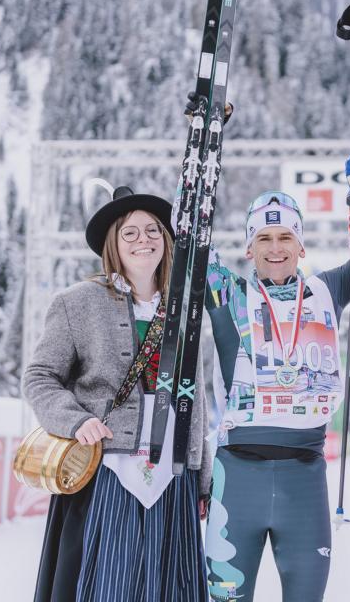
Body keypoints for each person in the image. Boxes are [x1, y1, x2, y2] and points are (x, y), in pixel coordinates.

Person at [201, 124, 350, 602]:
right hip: (237, 477)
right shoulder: (226, 292)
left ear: (301, 244)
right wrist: (203, 143)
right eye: (265, 238)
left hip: (305, 478)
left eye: (286, 236)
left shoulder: (326, 292)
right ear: (249, 246)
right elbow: (189, 240)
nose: (275, 248)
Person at [24, 186, 211, 602]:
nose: (143, 240)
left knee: (170, 586)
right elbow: (39, 377)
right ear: (113, 244)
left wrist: (201, 475)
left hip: (173, 472)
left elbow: (195, 400)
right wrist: (76, 420)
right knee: (108, 583)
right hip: (106, 470)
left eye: (152, 231)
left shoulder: (186, 310)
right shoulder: (77, 303)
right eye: (130, 233)